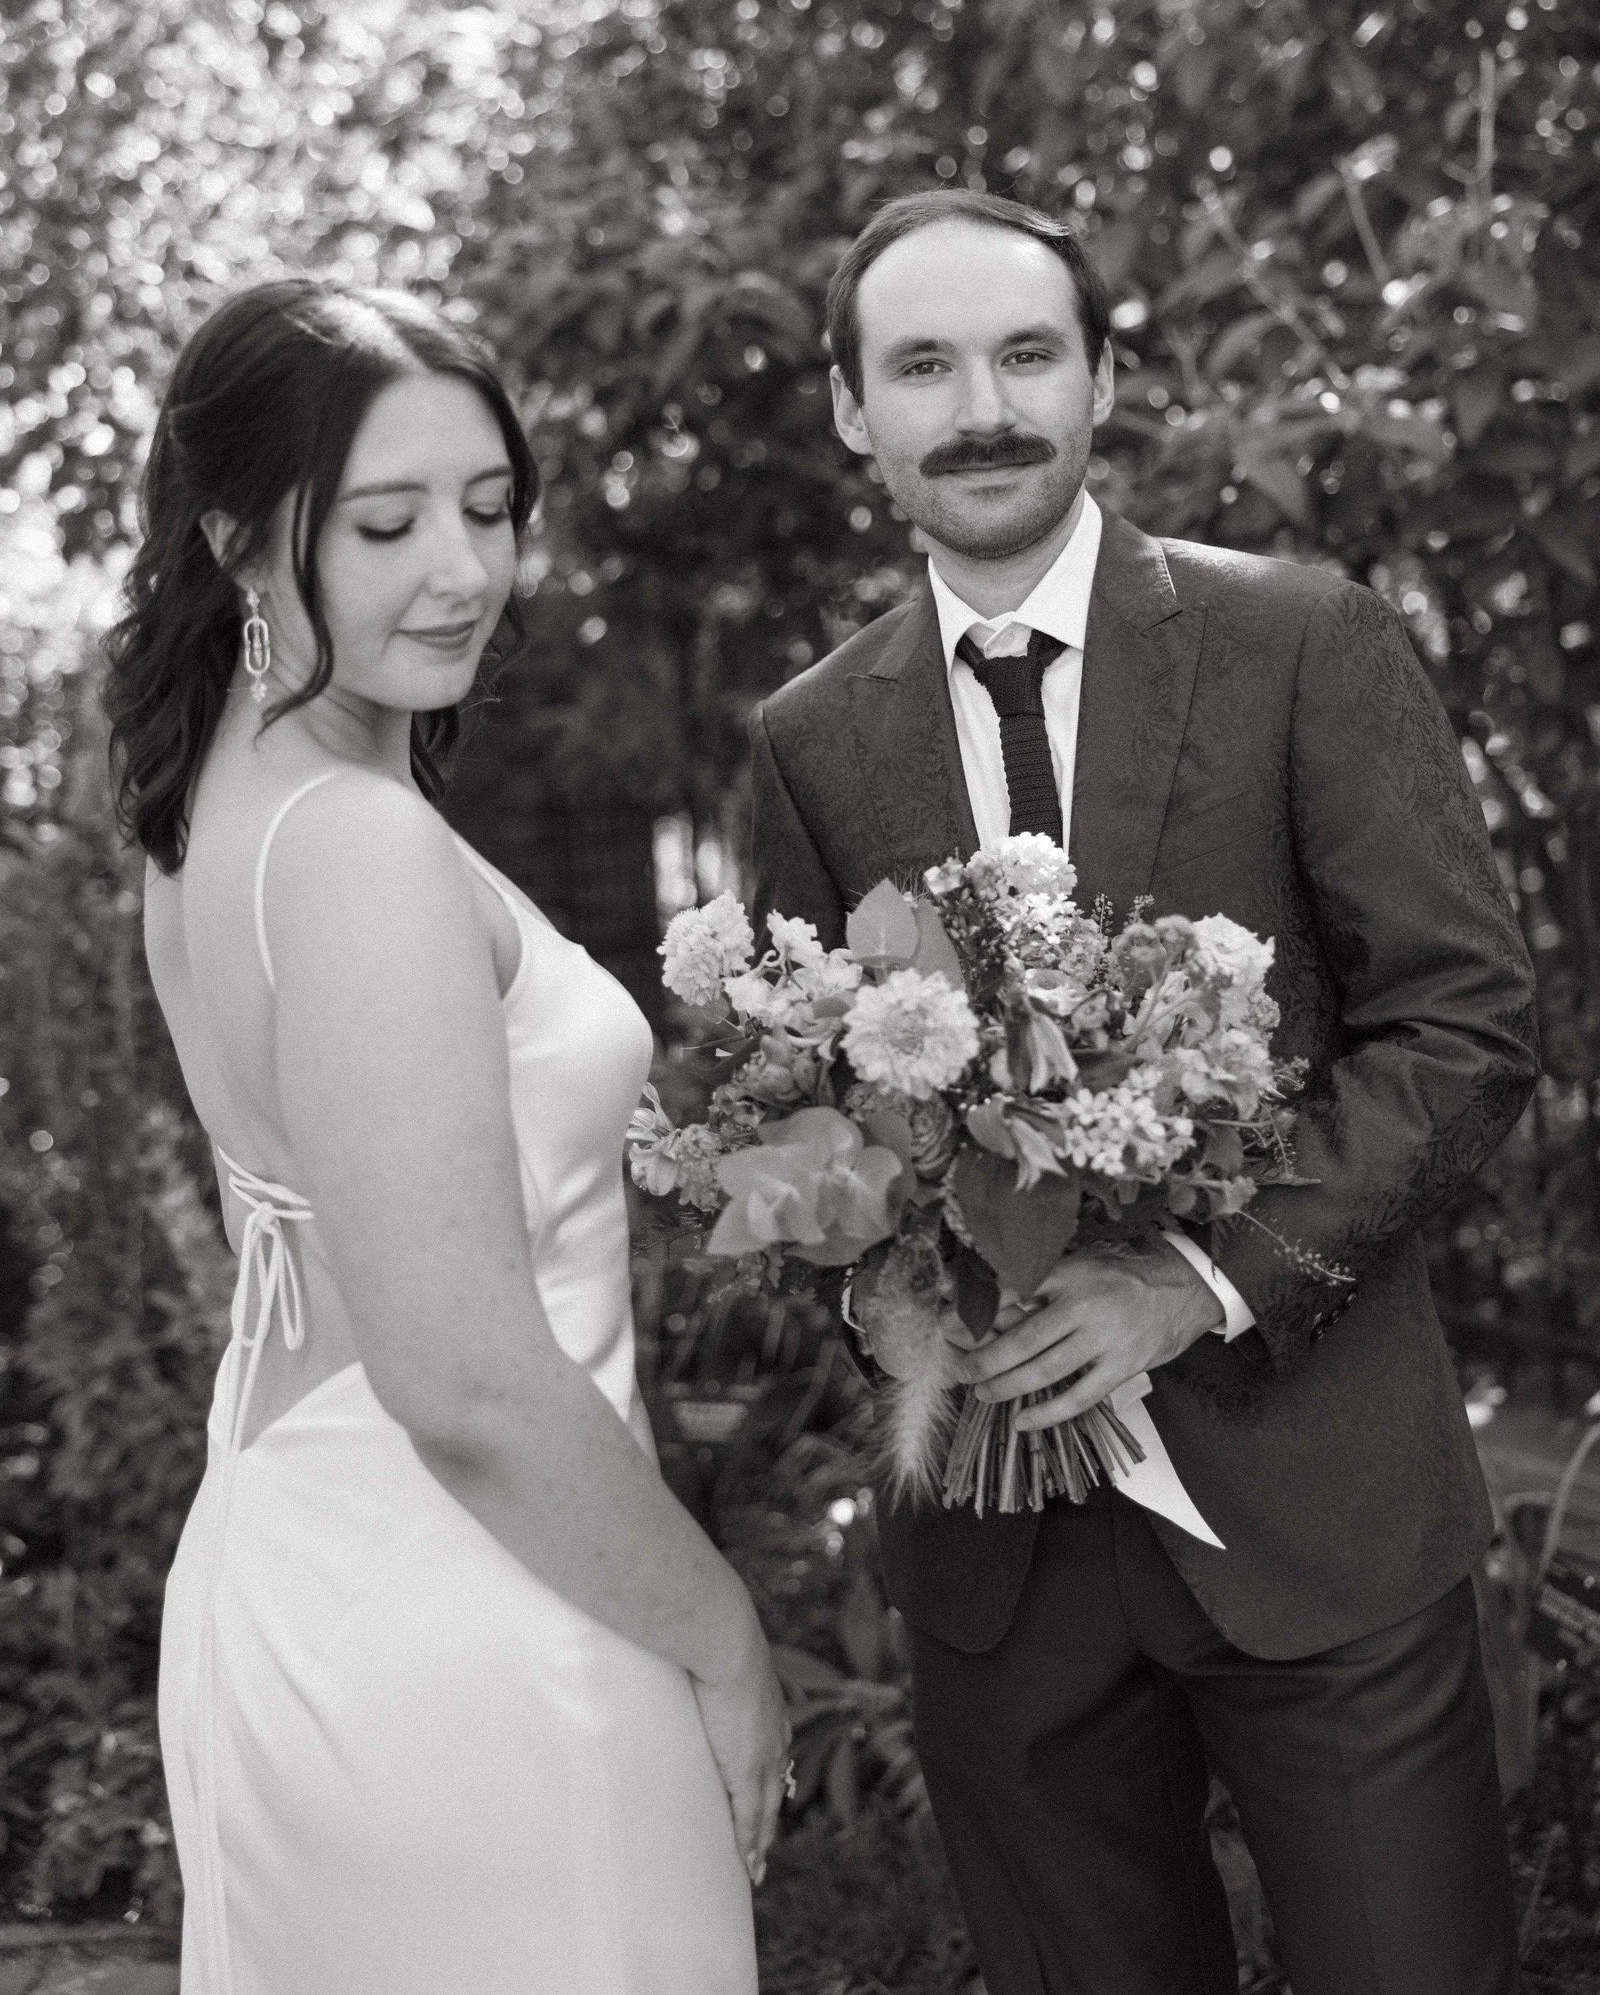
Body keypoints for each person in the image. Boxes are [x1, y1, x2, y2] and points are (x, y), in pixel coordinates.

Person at [748, 189, 1539, 1995]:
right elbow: (807, 1113)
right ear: (856, 416)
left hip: (1318, 1504)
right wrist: (879, 1278)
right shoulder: (809, 735)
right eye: (924, 365)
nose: (984, 407)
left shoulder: (1300, 639)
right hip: (1002, 1559)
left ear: (1106, 378)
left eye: (1029, 354)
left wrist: (1199, 1282)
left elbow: (1466, 1020)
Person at [104, 282, 784, 1995]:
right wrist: (724, 1644)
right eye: (390, 521)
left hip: (303, 1551)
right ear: (243, 541)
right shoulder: (355, 847)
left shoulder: (219, 814)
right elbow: (465, 1379)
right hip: (478, 1613)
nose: (465, 569)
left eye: (489, 510)